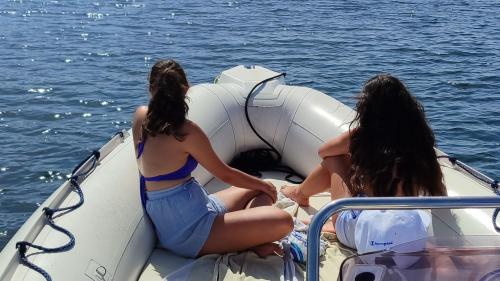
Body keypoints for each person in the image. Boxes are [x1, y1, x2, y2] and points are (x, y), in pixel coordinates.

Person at [132, 59, 293, 258]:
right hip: (191, 231)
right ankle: (250, 241)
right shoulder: (186, 132)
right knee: (284, 220)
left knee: (259, 188)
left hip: (186, 211)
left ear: (151, 88)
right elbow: (225, 174)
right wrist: (265, 186)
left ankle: (249, 237)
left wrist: (261, 186)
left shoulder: (140, 117)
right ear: (186, 89)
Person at [281, 74, 447, 237]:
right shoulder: (420, 142)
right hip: (402, 229)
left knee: (335, 160)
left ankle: (301, 194)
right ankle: (301, 194)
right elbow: (439, 188)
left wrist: (352, 147)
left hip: (363, 233)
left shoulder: (363, 136)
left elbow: (323, 152)